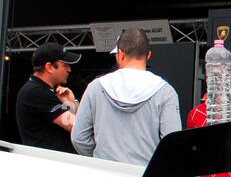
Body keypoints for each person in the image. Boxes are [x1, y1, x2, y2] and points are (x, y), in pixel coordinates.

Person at [71, 27, 181, 165]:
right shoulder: (165, 91)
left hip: (105, 175)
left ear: (121, 54)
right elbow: (172, 143)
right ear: (148, 55)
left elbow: (78, 138)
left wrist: (99, 160)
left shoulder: (96, 87)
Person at [15, 42, 80, 151]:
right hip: (48, 162)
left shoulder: (43, 91)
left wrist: (70, 102)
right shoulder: (36, 92)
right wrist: (72, 102)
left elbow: (70, 122)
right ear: (49, 67)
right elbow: (77, 127)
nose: (69, 69)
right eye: (65, 65)